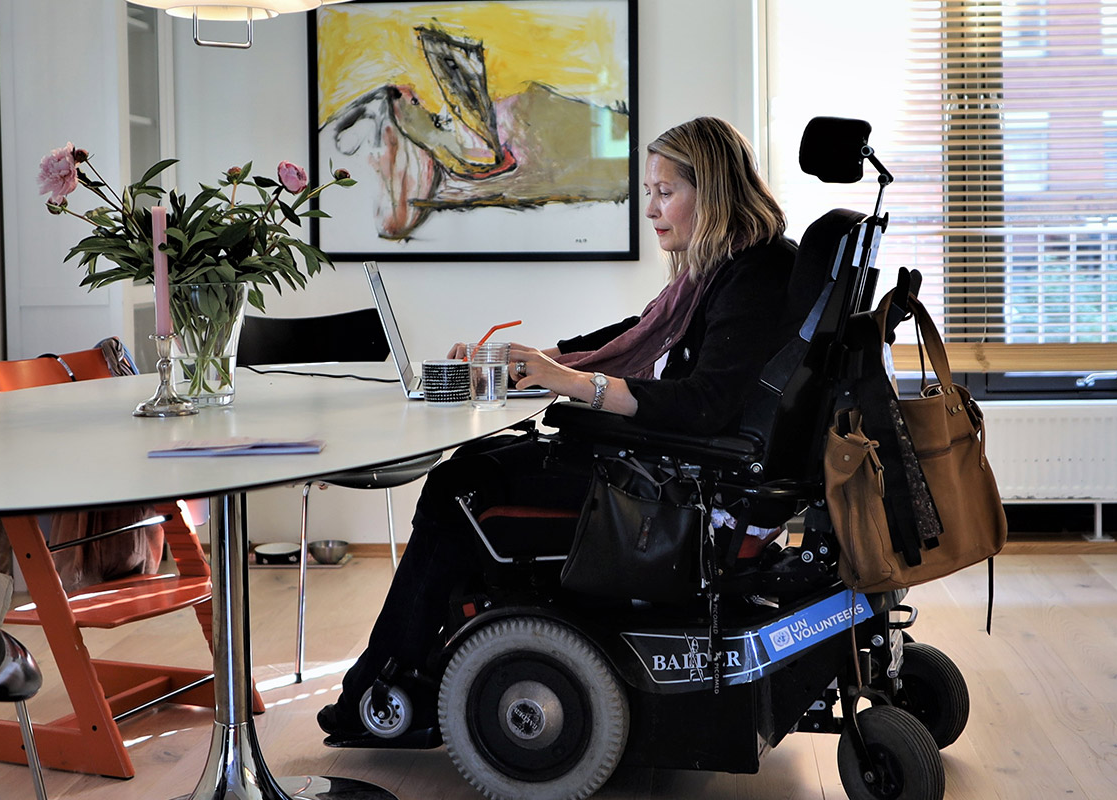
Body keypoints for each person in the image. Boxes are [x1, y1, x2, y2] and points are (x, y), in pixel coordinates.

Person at [318, 116, 803, 746]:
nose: (652, 209)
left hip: (685, 493)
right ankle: (413, 675)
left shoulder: (754, 274)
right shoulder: (728, 269)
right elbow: (631, 336)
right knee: (478, 468)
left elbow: (704, 404)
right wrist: (539, 363)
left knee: (460, 486)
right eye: (649, 192)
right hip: (682, 472)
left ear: (709, 192)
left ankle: (387, 690)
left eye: (666, 192)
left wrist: (569, 383)